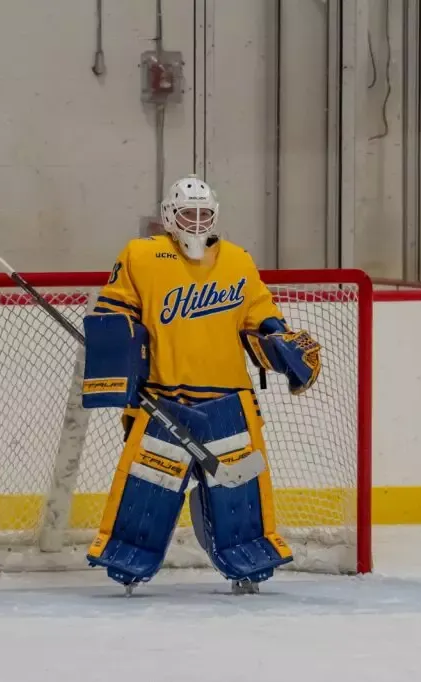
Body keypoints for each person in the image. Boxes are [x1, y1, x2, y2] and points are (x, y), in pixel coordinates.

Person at [79, 174, 322, 594]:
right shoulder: (141, 255)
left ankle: (247, 565)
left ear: (216, 215)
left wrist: (278, 342)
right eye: (187, 213)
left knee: (239, 495)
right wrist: (117, 357)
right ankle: (128, 564)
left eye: (203, 214)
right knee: (147, 491)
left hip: (229, 400)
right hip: (162, 397)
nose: (195, 222)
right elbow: (115, 311)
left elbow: (260, 315)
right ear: (168, 215)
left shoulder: (238, 260)